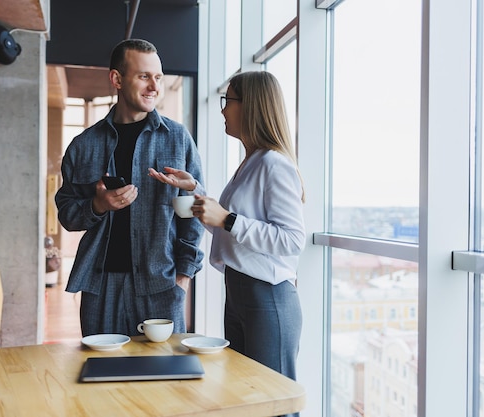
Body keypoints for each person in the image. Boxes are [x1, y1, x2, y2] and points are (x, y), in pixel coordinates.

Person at [149, 71, 306, 412]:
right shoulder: (250, 163)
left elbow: (293, 240)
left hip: (268, 297)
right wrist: (197, 193)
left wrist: (227, 218)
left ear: (251, 107)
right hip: (240, 294)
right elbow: (230, 230)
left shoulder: (274, 165)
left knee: (273, 403)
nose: (222, 110)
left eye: (228, 101)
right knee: (248, 398)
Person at [55, 39, 205, 338]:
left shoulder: (177, 138)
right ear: (117, 79)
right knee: (102, 376)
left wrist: (183, 279)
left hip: (161, 285)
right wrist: (98, 206)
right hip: (100, 287)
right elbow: (67, 215)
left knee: (165, 378)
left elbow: (195, 212)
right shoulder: (83, 145)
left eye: (158, 77)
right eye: (144, 76)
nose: (154, 86)